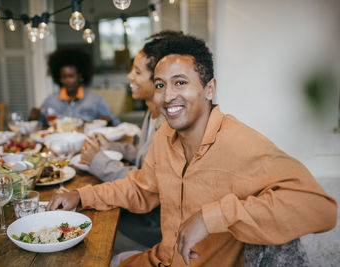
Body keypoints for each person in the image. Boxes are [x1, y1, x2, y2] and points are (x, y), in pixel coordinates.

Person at [47, 35, 337, 266]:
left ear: (209, 89)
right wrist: (80, 195)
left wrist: (212, 218)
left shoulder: (241, 143)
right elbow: (141, 189)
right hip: (161, 258)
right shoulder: (165, 135)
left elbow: (321, 209)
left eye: (181, 83)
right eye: (160, 85)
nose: (168, 95)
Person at [80, 32, 183, 251]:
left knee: (92, 237)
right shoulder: (152, 111)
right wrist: (112, 146)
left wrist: (98, 161)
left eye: (137, 71)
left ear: (158, 78)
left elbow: (147, 186)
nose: (129, 76)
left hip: (155, 224)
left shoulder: (169, 123)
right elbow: (142, 154)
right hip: (143, 211)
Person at [40, 48, 120, 127]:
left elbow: (116, 122)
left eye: (71, 76)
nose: (67, 80)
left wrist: (108, 120)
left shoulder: (95, 100)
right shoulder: (51, 101)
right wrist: (33, 117)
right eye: (63, 77)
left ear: (80, 76)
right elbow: (40, 124)